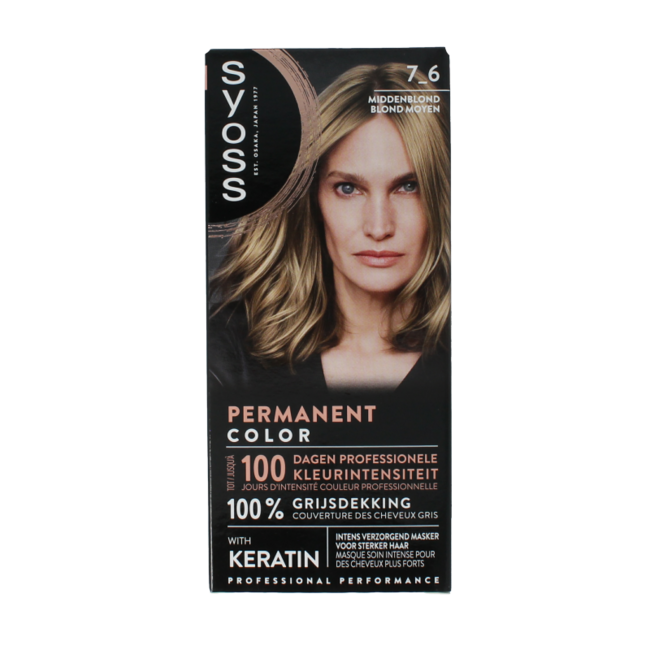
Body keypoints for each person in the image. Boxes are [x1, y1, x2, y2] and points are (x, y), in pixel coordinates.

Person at [208, 63, 450, 393]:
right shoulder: (229, 353)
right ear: (312, 200)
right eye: (348, 189)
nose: (379, 227)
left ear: (441, 198)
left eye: (409, 187)